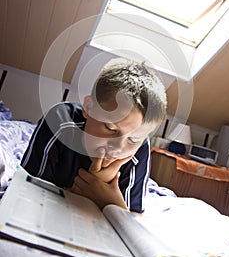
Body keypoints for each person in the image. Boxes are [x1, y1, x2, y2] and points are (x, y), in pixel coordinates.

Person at [21, 58, 167, 214]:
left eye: (133, 139)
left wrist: (112, 203)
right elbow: (25, 189)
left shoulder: (140, 149)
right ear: (88, 108)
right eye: (110, 128)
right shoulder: (59, 122)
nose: (118, 147)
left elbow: (134, 216)